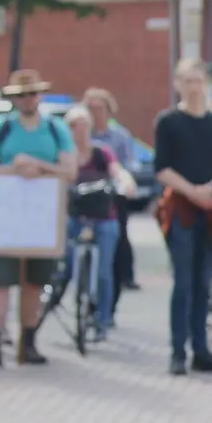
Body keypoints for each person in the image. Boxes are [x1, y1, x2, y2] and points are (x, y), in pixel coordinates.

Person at [0, 69, 78, 367]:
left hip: (41, 218)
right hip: (6, 217)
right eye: (22, 95)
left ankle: (29, 340)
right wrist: (15, 169)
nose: (27, 99)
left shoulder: (55, 128)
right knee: (1, 283)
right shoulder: (1, 128)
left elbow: (69, 170)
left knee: (34, 283)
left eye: (32, 94)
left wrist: (37, 165)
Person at [153, 58, 212, 376]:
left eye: (198, 80)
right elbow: (162, 169)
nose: (193, 86)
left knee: (204, 283)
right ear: (177, 84)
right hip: (181, 212)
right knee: (183, 283)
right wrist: (192, 191)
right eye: (186, 80)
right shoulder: (168, 122)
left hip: (209, 213)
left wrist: (211, 189)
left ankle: (201, 351)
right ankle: (178, 351)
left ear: (206, 83)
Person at [62, 107, 137, 340]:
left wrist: (126, 183)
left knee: (104, 270)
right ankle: (61, 300)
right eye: (75, 126)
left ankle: (103, 319)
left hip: (104, 217)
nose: (81, 131)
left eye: (85, 125)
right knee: (68, 265)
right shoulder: (67, 155)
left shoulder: (102, 153)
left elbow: (118, 171)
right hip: (77, 217)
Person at [82, 88, 142, 301]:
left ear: (109, 110)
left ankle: (118, 288)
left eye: (99, 108)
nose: (95, 112)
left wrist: (122, 180)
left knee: (118, 243)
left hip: (112, 198)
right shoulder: (80, 134)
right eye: (90, 108)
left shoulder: (119, 136)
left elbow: (130, 164)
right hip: (84, 198)